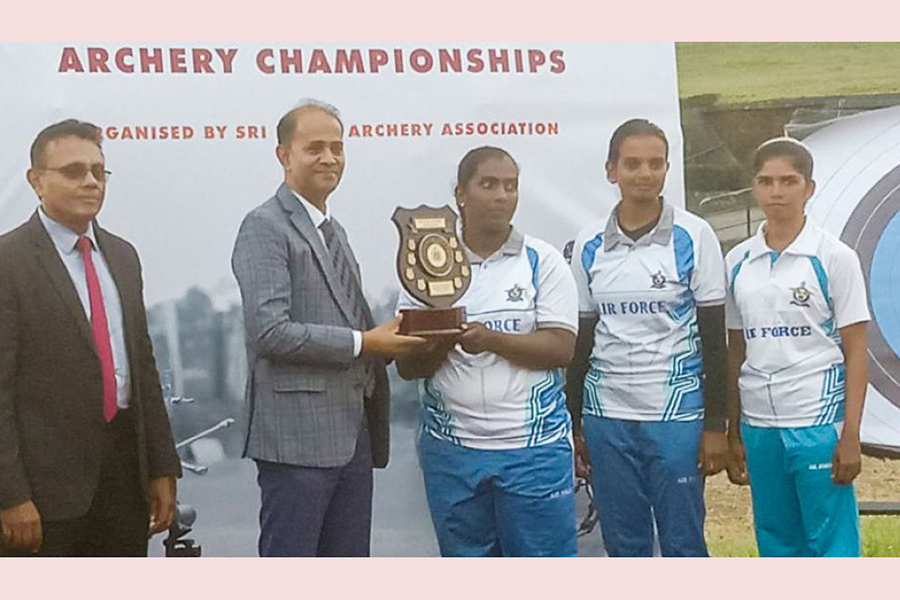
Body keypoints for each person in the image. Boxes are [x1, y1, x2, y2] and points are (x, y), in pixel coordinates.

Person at [231, 100, 426, 557]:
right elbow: (270, 331)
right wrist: (365, 342)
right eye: (314, 147)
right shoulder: (263, 226)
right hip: (296, 442)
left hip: (351, 435)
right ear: (284, 155)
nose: (329, 158)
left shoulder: (332, 230)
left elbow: (349, 324)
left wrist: (393, 336)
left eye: (337, 148)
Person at [0, 119, 181, 556]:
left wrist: (162, 467)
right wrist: (9, 494)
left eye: (99, 172)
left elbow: (143, 367)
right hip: (43, 495)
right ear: (36, 181)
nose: (90, 182)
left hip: (124, 480)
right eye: (74, 171)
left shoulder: (122, 256)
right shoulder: (9, 261)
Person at [396, 146, 579, 557]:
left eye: (510, 186)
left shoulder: (542, 260)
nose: (501, 195)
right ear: (460, 193)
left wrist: (489, 339)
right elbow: (408, 367)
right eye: (488, 184)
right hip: (453, 452)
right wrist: (441, 337)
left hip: (532, 449)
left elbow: (561, 348)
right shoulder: (427, 264)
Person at [566, 118, 728, 557]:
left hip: (675, 416)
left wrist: (716, 425)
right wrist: (575, 420)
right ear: (610, 170)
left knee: (683, 541)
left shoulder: (694, 235)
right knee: (624, 543)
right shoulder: (588, 241)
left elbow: (715, 340)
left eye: (656, 164)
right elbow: (583, 339)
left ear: (667, 169)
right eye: (633, 164)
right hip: (607, 417)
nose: (644, 174)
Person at [725, 137, 869, 557]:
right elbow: (737, 350)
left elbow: (856, 350)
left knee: (830, 543)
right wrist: (736, 428)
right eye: (766, 181)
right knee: (776, 539)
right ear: (753, 187)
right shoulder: (737, 261)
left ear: (809, 189)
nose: (777, 191)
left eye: (789, 181)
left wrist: (851, 435)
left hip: (818, 423)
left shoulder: (833, 257)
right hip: (759, 425)